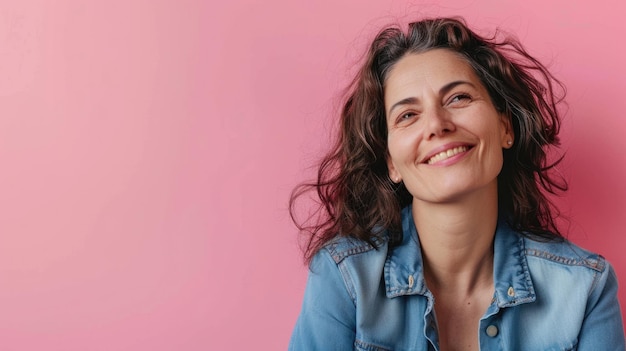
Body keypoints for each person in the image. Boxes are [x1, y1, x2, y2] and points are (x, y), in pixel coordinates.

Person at [288, 17, 625, 350]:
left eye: (458, 98)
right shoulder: (344, 279)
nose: (436, 124)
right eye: (407, 115)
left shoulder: (585, 289)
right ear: (392, 162)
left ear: (505, 127)